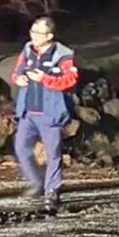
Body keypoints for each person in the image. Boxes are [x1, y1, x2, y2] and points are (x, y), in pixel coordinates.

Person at [10, 16, 78, 211]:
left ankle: (52, 190)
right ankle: (36, 181)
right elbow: (17, 71)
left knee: (53, 153)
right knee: (21, 148)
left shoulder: (63, 54)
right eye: (32, 31)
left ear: (49, 36)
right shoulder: (28, 49)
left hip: (50, 113)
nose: (33, 36)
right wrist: (19, 79)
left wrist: (45, 79)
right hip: (28, 112)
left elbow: (70, 80)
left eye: (38, 33)